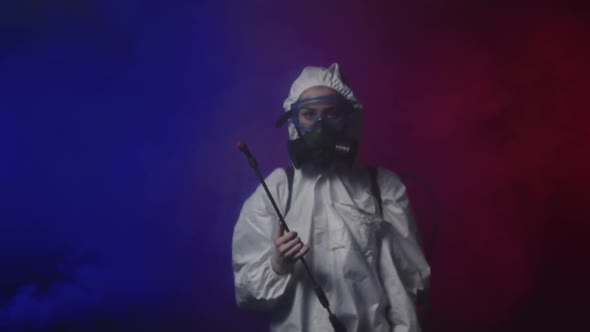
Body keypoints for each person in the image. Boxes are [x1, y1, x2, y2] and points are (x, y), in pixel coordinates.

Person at [232, 63, 430, 332]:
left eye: (332, 113)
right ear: (293, 121)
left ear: (348, 118)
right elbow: (247, 295)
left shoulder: (383, 188)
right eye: (308, 114)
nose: (320, 126)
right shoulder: (276, 192)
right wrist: (277, 264)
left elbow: (403, 290)